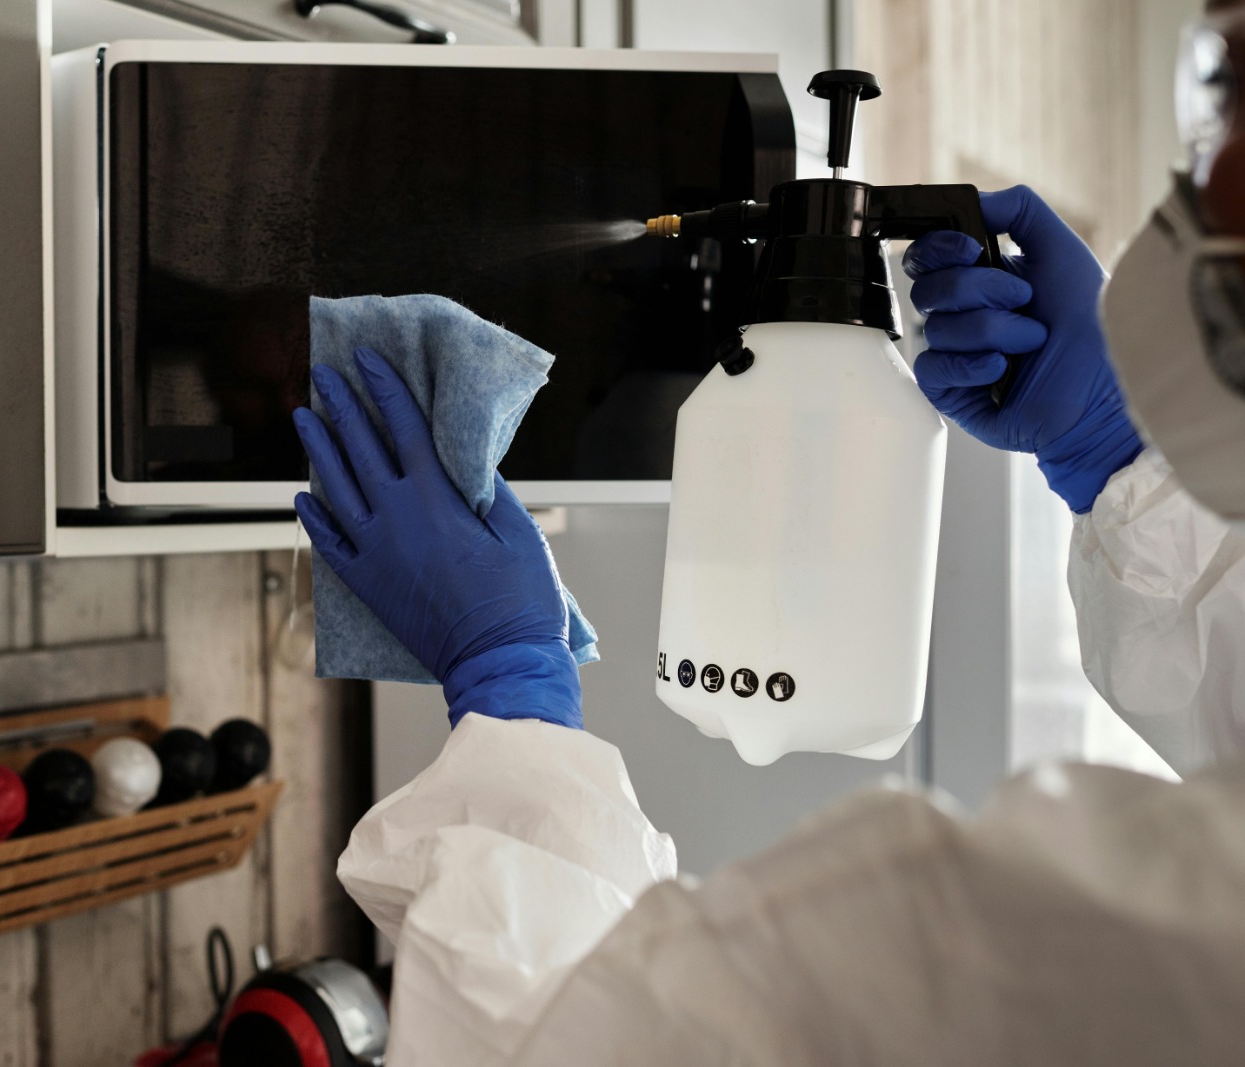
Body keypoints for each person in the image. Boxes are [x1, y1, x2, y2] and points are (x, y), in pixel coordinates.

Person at [289, 9, 1245, 1063]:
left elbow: (572, 1044)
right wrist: (1127, 464)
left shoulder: (1143, 943)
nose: (1204, 172)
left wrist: (508, 685)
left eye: (1230, 91)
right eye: (1214, 86)